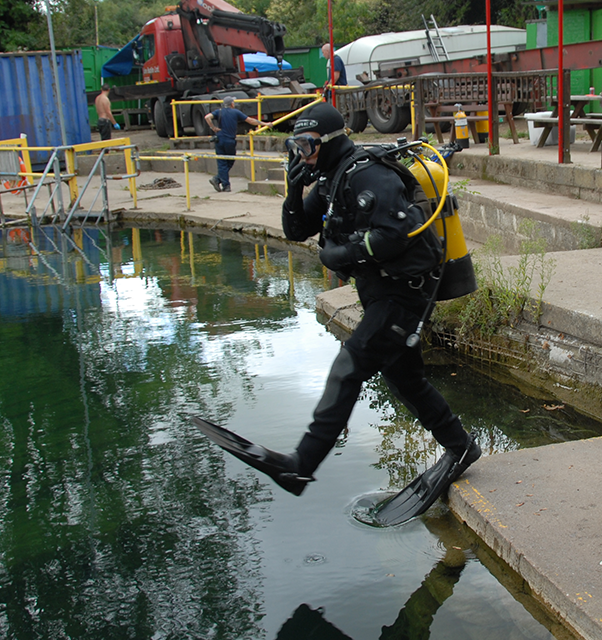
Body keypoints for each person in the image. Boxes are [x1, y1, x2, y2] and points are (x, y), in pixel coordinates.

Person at [192, 102, 479, 526]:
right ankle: (460, 445)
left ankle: (299, 465)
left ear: (327, 141)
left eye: (306, 145)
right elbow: (297, 229)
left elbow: (394, 233)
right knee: (406, 379)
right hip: (382, 291)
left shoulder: (366, 174)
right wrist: (294, 188)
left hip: (405, 292)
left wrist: (337, 254)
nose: (302, 153)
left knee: (349, 367)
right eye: (295, 146)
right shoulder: (330, 176)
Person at [204, 96, 269, 192]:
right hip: (230, 140)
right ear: (232, 104)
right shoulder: (236, 112)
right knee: (229, 161)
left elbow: (207, 117)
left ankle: (218, 180)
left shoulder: (219, 112)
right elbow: (250, 121)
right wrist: (266, 124)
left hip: (220, 139)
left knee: (222, 163)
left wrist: (213, 128)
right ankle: (225, 185)